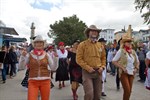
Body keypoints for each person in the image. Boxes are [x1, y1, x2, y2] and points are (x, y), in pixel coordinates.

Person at [21, 35, 57, 100]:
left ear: (43, 44)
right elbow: (21, 67)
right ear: (34, 44)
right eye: (37, 42)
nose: (39, 44)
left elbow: (53, 68)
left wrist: (56, 59)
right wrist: (22, 57)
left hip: (45, 81)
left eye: (41, 42)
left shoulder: (47, 55)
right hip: (33, 81)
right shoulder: (29, 54)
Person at [76, 25, 106, 100]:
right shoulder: (82, 45)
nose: (94, 32)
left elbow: (103, 58)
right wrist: (88, 68)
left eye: (96, 31)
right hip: (87, 72)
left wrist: (102, 67)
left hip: (98, 72)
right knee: (89, 94)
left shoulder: (100, 45)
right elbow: (79, 59)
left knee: (97, 95)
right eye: (92, 31)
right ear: (88, 33)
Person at [112, 25, 139, 100]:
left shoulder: (133, 52)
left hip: (132, 73)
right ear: (124, 43)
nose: (129, 43)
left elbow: (137, 62)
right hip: (124, 73)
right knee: (127, 90)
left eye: (130, 42)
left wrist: (136, 68)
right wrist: (122, 68)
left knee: (129, 91)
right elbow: (114, 61)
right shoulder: (121, 51)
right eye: (128, 42)